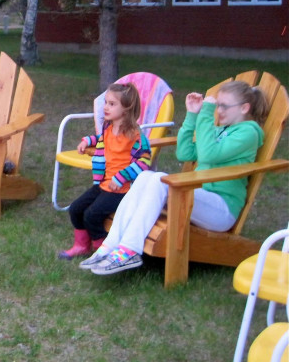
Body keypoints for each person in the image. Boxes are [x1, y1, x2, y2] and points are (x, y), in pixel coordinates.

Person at [81, 80, 267, 275]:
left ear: (245, 108)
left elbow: (208, 155)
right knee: (145, 176)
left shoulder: (249, 133)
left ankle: (129, 249)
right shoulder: (221, 130)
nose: (218, 110)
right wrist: (192, 116)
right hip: (199, 199)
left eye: (223, 106)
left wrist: (205, 113)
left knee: (160, 181)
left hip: (221, 210)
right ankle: (110, 245)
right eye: (217, 105)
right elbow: (185, 153)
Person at [59, 83, 152, 259]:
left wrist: (121, 177)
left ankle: (103, 250)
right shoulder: (108, 128)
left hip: (122, 190)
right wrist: (88, 140)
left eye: (112, 104)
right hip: (103, 184)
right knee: (76, 209)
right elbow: (101, 139)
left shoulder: (135, 136)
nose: (106, 107)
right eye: (106, 102)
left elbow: (144, 161)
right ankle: (81, 246)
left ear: (126, 109)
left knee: (91, 215)